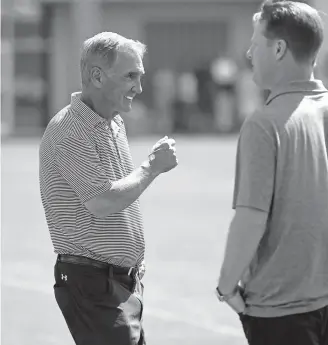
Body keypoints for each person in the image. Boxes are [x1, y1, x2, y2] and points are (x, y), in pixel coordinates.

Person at [39, 32, 178, 345]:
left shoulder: (113, 123)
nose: (139, 88)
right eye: (130, 76)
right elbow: (102, 201)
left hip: (120, 282)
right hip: (91, 283)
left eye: (140, 77)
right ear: (97, 76)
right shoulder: (69, 129)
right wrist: (152, 167)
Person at [215, 1, 328, 345]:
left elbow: (251, 219)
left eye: (255, 42)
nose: (249, 53)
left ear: (278, 48)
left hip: (279, 310)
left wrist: (225, 286)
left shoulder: (263, 123)